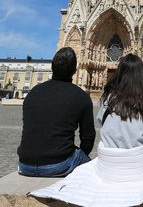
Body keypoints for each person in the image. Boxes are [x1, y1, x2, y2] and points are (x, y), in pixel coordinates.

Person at [31, 54, 143, 207]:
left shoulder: (108, 97)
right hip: (139, 165)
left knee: (86, 171)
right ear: (142, 74)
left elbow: (101, 120)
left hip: (108, 166)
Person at [17, 47, 95, 177]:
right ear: (75, 71)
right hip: (59, 164)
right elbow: (88, 139)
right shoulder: (81, 97)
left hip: (25, 165)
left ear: (52, 67)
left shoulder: (33, 92)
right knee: (94, 169)